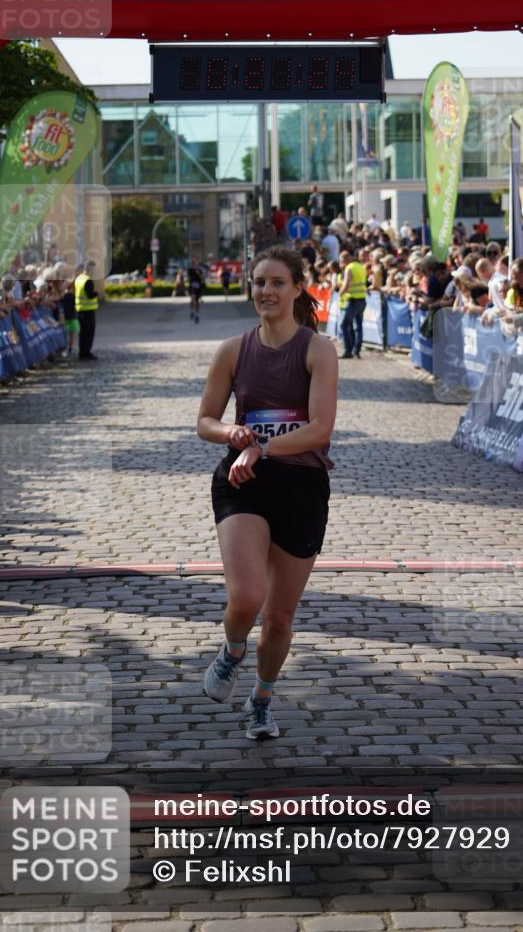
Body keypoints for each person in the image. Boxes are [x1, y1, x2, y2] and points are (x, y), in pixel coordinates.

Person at [196, 245, 338, 740]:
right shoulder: (232, 350)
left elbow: (320, 429)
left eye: (278, 282)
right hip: (243, 481)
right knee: (247, 597)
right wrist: (232, 436)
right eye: (259, 282)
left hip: (301, 485)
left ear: (299, 288)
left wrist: (263, 447)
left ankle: (261, 701)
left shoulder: (318, 349)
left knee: (278, 619)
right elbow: (205, 421)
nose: (266, 291)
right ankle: (232, 650)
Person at [338, 249, 367, 359]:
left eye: (342, 261)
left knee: (344, 325)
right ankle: (357, 350)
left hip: (353, 300)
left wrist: (340, 294)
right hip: (362, 300)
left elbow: (346, 284)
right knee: (358, 326)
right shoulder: (360, 266)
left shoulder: (349, 268)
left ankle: (348, 350)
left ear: (345, 260)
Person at [74, 260, 99, 361]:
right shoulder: (87, 280)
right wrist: (96, 293)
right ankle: (86, 353)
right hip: (88, 310)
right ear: (90, 269)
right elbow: (90, 295)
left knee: (83, 333)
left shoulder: (79, 278)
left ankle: (82, 353)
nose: (94, 271)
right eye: (93, 269)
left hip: (80, 309)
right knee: (89, 333)